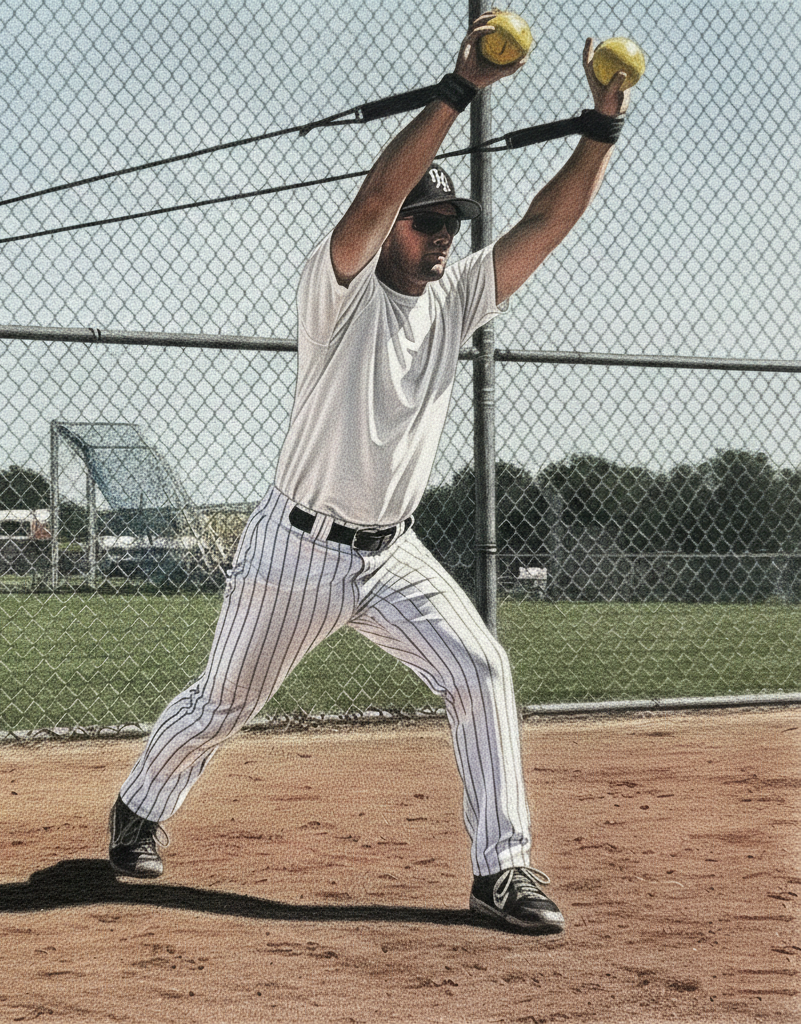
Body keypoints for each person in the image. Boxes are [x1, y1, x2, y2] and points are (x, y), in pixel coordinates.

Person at [107, 15, 631, 935]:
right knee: (227, 700)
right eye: (428, 224)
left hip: (392, 555)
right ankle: (139, 807)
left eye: (450, 226)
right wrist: (459, 88)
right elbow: (371, 196)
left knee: (481, 669)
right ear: (393, 228)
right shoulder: (339, 291)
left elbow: (548, 221)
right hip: (293, 549)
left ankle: (500, 872)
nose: (441, 239)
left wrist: (602, 122)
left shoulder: (457, 299)